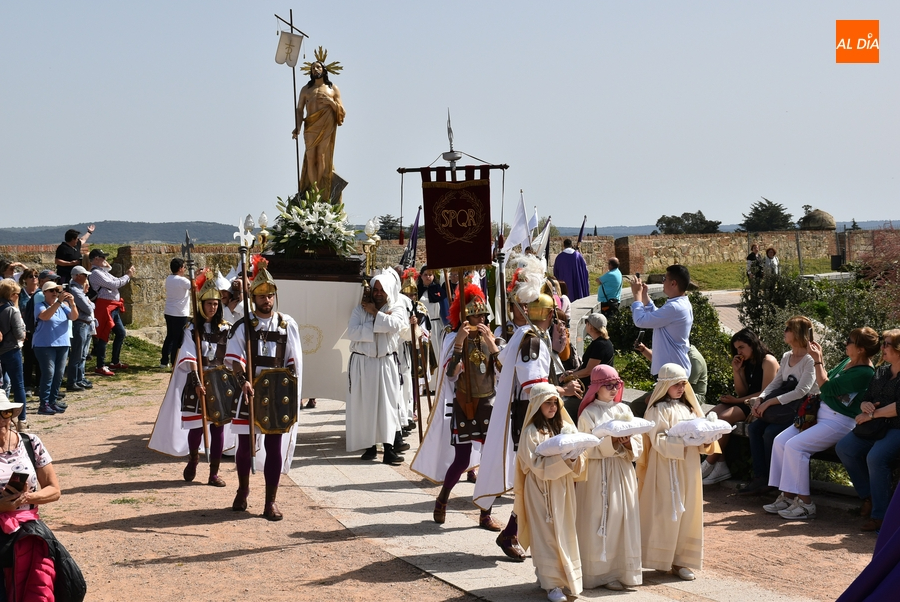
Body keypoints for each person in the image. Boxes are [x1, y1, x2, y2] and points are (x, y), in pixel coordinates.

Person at [474, 255, 583, 562]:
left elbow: (502, 366)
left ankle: (515, 531)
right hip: (534, 417)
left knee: (535, 478)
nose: (555, 319)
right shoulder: (532, 340)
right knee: (536, 478)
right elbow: (533, 387)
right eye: (553, 315)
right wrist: (563, 389)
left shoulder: (525, 336)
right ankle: (512, 533)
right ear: (544, 314)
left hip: (528, 415)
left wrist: (561, 372)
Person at [763, 327, 878, 520]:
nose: (846, 344)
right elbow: (825, 382)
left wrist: (818, 360)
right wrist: (822, 370)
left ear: (860, 349)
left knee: (796, 447)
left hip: (839, 420)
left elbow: (826, 385)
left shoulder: (865, 372)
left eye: (850, 341)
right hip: (821, 414)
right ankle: (788, 496)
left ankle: (806, 504)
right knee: (780, 441)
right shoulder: (848, 362)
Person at [412, 284, 501, 530]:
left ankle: (485, 513)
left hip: (488, 404)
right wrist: (461, 342)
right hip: (464, 404)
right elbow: (450, 374)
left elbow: (502, 371)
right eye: (475, 315)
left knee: (490, 460)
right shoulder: (453, 338)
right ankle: (442, 499)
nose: (481, 319)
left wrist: (494, 347)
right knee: (461, 461)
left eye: (483, 315)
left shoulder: (492, 338)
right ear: (464, 316)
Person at [225, 265, 302, 520]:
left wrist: (293, 391)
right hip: (250, 390)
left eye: (270, 295)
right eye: (261, 295)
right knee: (245, 446)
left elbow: (293, 362)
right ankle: (243, 489)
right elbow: (234, 359)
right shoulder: (243, 326)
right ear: (253, 297)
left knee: (273, 446)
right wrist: (242, 380)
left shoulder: (286, 324)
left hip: (277, 393)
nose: (266, 300)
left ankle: (271, 501)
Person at [149, 278, 235, 488]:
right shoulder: (191, 328)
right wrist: (197, 382)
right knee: (196, 428)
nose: (212, 307)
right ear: (201, 304)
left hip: (220, 383)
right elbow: (189, 355)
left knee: (218, 429)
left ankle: (214, 473)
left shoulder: (226, 328)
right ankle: (194, 459)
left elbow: (232, 355)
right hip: (198, 381)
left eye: (216, 304)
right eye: (209, 303)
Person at [514, 382, 586, 602]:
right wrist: (561, 459)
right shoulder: (530, 432)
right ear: (537, 404)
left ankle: (562, 577)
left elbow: (580, 460)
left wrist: (573, 457)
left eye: (555, 402)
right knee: (545, 535)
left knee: (564, 532)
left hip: (563, 489)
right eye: (548, 402)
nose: (553, 406)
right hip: (539, 489)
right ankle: (552, 585)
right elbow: (533, 464)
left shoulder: (565, 426)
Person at [636, 363, 707, 581]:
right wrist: (682, 441)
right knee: (666, 511)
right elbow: (657, 438)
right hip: (666, 467)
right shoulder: (656, 409)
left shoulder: (689, 409)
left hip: (689, 466)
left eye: (683, 384)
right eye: (676, 384)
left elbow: (702, 434)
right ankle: (661, 558)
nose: (680, 387)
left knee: (689, 512)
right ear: (665, 384)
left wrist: (704, 436)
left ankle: (681, 560)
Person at [575, 365, 643, 591]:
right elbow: (584, 447)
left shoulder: (624, 409)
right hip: (597, 474)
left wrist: (627, 443)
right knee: (598, 518)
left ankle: (620, 571)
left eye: (617, 385)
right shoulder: (588, 413)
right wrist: (612, 442)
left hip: (622, 471)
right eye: (608, 385)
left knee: (622, 517)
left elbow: (639, 445)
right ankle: (597, 574)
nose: (614, 389)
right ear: (596, 387)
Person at [739, 316, 818, 496]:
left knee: (770, 433)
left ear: (798, 332)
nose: (784, 332)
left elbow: (801, 391)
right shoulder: (786, 356)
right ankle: (760, 477)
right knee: (755, 428)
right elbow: (776, 383)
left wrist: (768, 403)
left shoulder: (809, 359)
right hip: (781, 408)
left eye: (788, 329)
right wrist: (761, 399)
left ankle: (775, 481)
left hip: (801, 411)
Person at [0, 390, 66, 597]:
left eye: (5, 413)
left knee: (33, 589)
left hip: (28, 533)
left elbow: (54, 490)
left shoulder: (31, 442)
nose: (1, 419)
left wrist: (26, 498)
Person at [836, 329, 900, 532]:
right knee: (844, 448)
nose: (882, 348)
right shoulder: (881, 372)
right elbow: (868, 396)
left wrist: (872, 414)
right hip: (874, 428)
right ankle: (870, 496)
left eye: (887, 344)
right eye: (883, 344)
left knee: (875, 458)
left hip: (896, 428)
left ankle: (881, 516)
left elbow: (899, 407)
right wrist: (865, 405)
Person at [345, 272, 408, 465]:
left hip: (386, 362)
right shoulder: (359, 310)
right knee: (366, 405)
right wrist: (378, 322)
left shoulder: (396, 307)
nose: (378, 293)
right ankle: (369, 446)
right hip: (363, 362)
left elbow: (396, 325)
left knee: (387, 406)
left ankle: (389, 448)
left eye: (382, 290)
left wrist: (375, 314)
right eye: (376, 289)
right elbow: (353, 332)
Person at [702, 328, 779, 486]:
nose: (739, 351)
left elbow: (765, 393)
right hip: (745, 400)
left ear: (753, 344)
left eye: (742, 347)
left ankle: (708, 463)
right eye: (737, 348)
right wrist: (737, 372)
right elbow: (742, 391)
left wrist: (736, 401)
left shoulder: (768, 361)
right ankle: (721, 464)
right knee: (710, 417)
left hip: (760, 404)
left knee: (723, 419)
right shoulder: (748, 362)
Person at [292, 51, 346, 201]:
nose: (315, 70)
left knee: (321, 156)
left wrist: (330, 102)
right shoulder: (306, 89)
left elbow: (342, 110)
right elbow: (299, 109)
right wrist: (298, 127)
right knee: (310, 156)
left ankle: (320, 186)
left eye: (318, 67)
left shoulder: (332, 89)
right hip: (310, 124)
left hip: (326, 125)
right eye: (312, 68)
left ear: (324, 70)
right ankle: (313, 188)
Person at [630, 264, 693, 377]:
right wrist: (644, 296)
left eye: (664, 279)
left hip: (672, 372)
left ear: (673, 283)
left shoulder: (674, 307)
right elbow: (658, 317)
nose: (663, 282)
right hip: (673, 369)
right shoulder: (680, 304)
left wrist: (637, 295)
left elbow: (640, 320)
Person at [33, 281, 78, 415]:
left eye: (57, 291)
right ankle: (44, 404)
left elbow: (74, 317)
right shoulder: (39, 306)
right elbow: (45, 317)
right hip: (44, 345)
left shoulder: (63, 306)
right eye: (51, 291)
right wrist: (58, 302)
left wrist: (72, 303)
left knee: (58, 375)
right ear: (45, 293)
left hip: (62, 344)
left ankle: (52, 402)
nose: (54, 293)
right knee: (49, 373)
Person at [88, 249, 134, 376]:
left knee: (120, 333)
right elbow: (114, 284)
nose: (105, 259)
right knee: (104, 336)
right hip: (105, 307)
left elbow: (115, 280)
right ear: (96, 259)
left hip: (112, 306)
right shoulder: (96, 273)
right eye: (102, 257)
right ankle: (100, 365)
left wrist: (107, 266)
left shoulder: (102, 271)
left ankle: (114, 361)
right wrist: (128, 276)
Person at [566, 312, 614, 400]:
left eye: (586, 322)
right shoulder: (601, 342)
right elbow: (587, 364)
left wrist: (570, 377)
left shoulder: (600, 345)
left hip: (592, 391)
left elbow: (589, 371)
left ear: (590, 326)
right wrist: (574, 371)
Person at [0, 280, 28, 431]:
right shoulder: (12, 311)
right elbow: (19, 333)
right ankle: (21, 420)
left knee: (1, 386)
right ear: (11, 295)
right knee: (18, 385)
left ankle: (3, 418)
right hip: (11, 350)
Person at [66, 266, 95, 393]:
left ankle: (79, 378)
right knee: (77, 354)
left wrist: (89, 303)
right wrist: (89, 303)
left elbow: (91, 305)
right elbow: (88, 308)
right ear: (78, 276)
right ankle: (72, 381)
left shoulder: (78, 290)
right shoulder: (75, 291)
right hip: (80, 324)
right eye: (84, 275)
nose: (86, 277)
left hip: (85, 324)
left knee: (82, 354)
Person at [160, 258, 192, 368]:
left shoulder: (169, 278)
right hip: (179, 313)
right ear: (180, 269)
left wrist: (196, 275)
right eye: (184, 267)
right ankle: (175, 362)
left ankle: (164, 361)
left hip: (169, 311)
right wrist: (200, 275)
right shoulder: (182, 281)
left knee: (170, 337)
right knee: (178, 339)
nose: (185, 269)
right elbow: (195, 286)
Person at [417, 266, 449, 370]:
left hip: (436, 327)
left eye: (430, 275)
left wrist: (448, 326)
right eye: (425, 275)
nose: (428, 277)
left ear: (433, 276)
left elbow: (445, 311)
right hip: (421, 326)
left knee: (437, 352)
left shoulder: (439, 291)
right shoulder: (417, 291)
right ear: (421, 276)